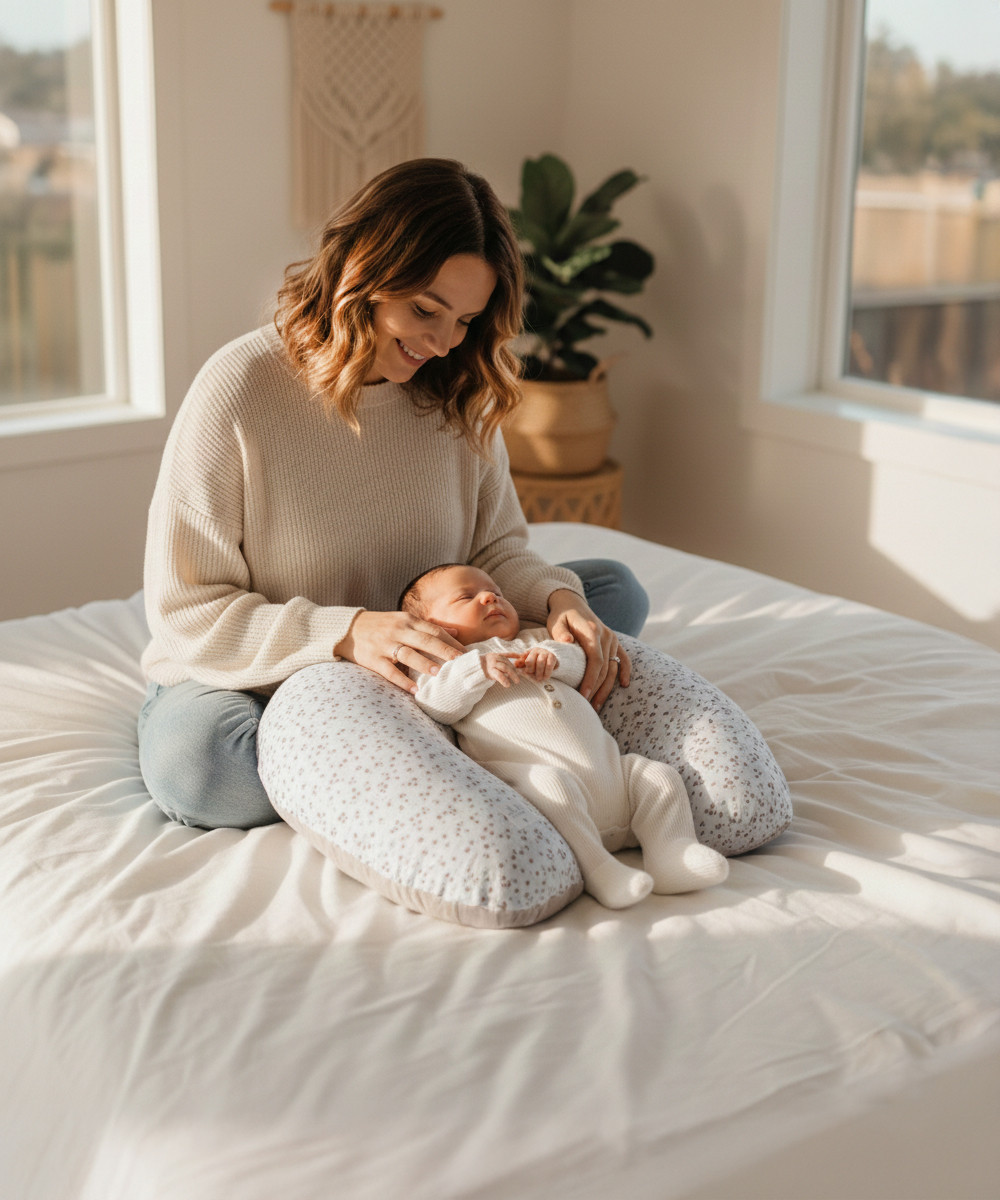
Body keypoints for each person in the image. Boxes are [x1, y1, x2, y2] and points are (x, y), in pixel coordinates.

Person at [136, 157, 649, 831]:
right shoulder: (241, 388)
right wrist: (348, 632)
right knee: (205, 770)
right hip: (276, 669)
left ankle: (426, 719)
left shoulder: (459, 388)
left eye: (466, 319)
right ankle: (425, 730)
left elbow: (496, 549)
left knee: (607, 592)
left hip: (435, 647)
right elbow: (187, 609)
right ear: (360, 274)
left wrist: (557, 601)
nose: (442, 342)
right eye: (424, 309)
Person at [400, 563, 730, 908]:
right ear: (429, 627)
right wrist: (476, 669)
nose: (489, 597)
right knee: (550, 785)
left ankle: (672, 853)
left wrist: (555, 657)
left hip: (614, 778)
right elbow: (437, 705)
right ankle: (601, 870)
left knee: (657, 776)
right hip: (546, 785)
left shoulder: (534, 637)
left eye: (496, 593)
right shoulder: (443, 664)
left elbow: (582, 664)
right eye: (467, 597)